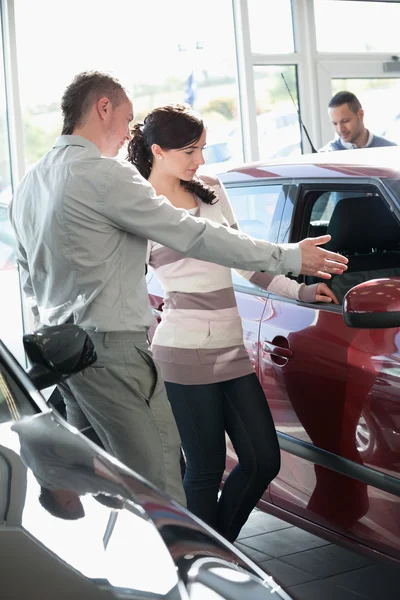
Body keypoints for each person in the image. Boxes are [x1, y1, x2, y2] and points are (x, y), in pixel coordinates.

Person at [9, 71, 347, 508]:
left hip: (63, 355)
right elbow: (194, 236)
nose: (130, 132)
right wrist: (290, 257)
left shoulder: (29, 184)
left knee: (109, 489)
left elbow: (28, 276)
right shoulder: (106, 176)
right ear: (103, 108)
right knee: (163, 489)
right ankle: (185, 573)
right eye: (128, 118)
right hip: (115, 353)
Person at [127, 104, 339, 541]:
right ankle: (201, 568)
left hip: (231, 349)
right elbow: (127, 287)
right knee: (204, 471)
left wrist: (299, 291)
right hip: (182, 355)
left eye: (202, 149)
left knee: (264, 460)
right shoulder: (140, 209)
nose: (200, 160)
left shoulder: (209, 187)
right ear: (158, 151)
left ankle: (212, 554)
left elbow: (247, 259)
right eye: (190, 151)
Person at [319, 91, 397, 152]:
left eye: (345, 121)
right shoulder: (326, 156)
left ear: (360, 114)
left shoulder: (390, 150)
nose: (340, 129)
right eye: (335, 123)